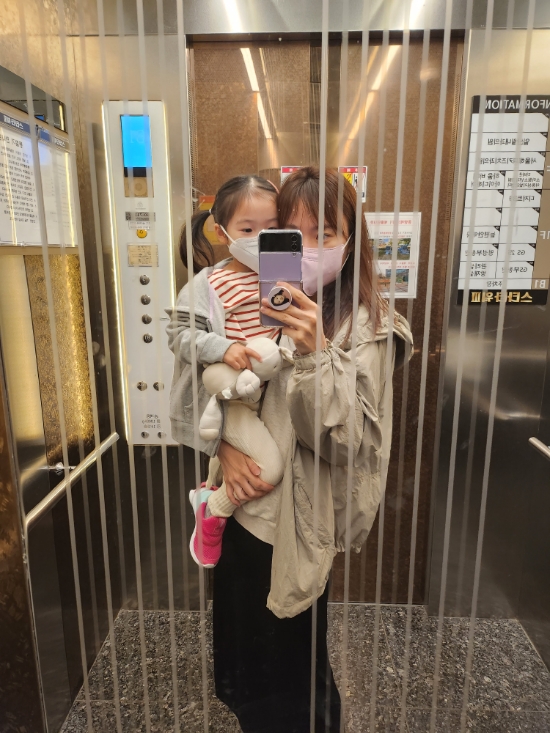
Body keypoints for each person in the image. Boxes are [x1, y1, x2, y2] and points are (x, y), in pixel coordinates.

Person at [168, 166, 413, 733]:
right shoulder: (256, 301)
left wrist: (314, 352)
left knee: (292, 674)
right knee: (244, 665)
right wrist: (227, 448)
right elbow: (210, 383)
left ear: (351, 241)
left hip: (296, 526)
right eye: (290, 234)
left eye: (324, 233)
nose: (306, 248)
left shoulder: (368, 326)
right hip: (241, 509)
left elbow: (345, 443)